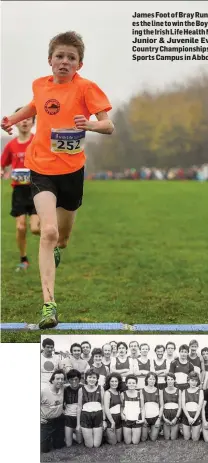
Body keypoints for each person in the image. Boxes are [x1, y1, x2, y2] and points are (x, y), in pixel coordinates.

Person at [1, 31, 114, 329]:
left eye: (71, 58)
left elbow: (109, 125)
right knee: (48, 232)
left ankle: (58, 249)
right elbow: (35, 107)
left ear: (79, 64)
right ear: (50, 59)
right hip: (41, 170)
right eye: (60, 56)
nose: (64, 62)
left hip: (72, 173)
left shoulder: (86, 89)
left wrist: (90, 124)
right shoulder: (40, 85)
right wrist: (12, 120)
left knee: (61, 238)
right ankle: (48, 305)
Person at [1, 108, 40, 271]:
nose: (24, 121)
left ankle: (53, 238)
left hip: (36, 190)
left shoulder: (38, 141)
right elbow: (3, 164)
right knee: (20, 227)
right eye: (21, 119)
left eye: (28, 119)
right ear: (16, 123)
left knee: (36, 228)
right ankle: (24, 259)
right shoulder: (11, 145)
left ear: (33, 123)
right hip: (19, 191)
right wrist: (2, 171)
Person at [76, 368, 106, 448]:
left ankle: (95, 434)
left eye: (94, 377)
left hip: (98, 416)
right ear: (86, 378)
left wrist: (104, 420)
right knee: (89, 445)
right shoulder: (81, 389)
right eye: (90, 377)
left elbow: (103, 405)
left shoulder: (101, 388)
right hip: (86, 416)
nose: (92, 379)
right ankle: (82, 434)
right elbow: (79, 407)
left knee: (96, 445)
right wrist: (78, 424)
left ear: (97, 379)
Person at [41, 369, 65, 453]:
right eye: (57, 379)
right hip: (46, 422)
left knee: (59, 446)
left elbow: (75, 384)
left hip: (59, 420)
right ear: (52, 380)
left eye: (62, 379)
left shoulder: (63, 389)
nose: (60, 381)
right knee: (44, 450)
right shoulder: (43, 391)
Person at [121, 375, 145, 445]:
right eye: (130, 383)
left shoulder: (139, 393)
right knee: (127, 442)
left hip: (136, 420)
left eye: (133, 383)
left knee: (135, 442)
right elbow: (121, 407)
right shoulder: (123, 394)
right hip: (126, 420)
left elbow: (142, 408)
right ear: (126, 384)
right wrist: (122, 415)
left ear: (136, 384)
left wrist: (142, 419)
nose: (131, 384)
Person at [181, 371, 204, 441]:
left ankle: (198, 428)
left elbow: (200, 406)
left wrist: (194, 419)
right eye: (192, 380)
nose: (194, 382)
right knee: (186, 438)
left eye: (196, 381)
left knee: (195, 439)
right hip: (186, 415)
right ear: (188, 381)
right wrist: (188, 417)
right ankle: (183, 429)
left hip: (196, 416)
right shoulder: (184, 391)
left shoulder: (201, 391)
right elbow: (183, 406)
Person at [141, 372, 163, 442]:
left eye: (154, 379)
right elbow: (141, 407)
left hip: (155, 418)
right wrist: (143, 418)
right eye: (150, 379)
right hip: (145, 417)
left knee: (153, 439)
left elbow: (162, 406)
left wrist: (159, 419)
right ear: (146, 380)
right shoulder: (141, 391)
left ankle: (154, 429)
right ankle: (148, 428)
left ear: (156, 380)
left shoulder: (159, 391)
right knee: (143, 439)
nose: (152, 381)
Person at [64, 369, 82, 447]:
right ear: (68, 380)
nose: (74, 381)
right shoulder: (65, 389)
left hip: (80, 417)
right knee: (68, 444)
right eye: (71, 379)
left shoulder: (83, 388)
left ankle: (73, 433)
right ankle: (67, 434)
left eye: (76, 379)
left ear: (79, 379)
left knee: (79, 441)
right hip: (69, 417)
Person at [104, 373, 123, 445]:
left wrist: (121, 415)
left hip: (118, 418)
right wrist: (112, 421)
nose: (114, 383)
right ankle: (104, 434)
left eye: (116, 381)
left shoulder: (118, 392)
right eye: (112, 381)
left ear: (118, 382)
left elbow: (121, 406)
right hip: (111, 418)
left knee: (119, 440)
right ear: (109, 382)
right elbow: (106, 408)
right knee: (113, 442)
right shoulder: (107, 393)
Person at [162, 373, 182, 441]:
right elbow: (161, 406)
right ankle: (163, 427)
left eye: (172, 379)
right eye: (168, 379)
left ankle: (179, 427)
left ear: (174, 380)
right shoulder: (162, 391)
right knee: (167, 438)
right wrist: (164, 418)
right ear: (166, 381)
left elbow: (180, 406)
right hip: (166, 414)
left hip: (175, 414)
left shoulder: (179, 390)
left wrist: (176, 418)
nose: (170, 381)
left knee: (173, 438)